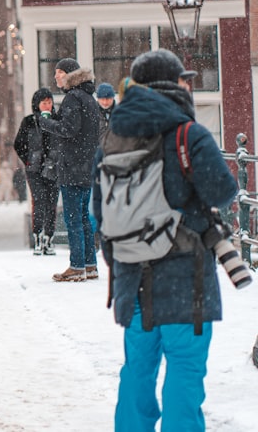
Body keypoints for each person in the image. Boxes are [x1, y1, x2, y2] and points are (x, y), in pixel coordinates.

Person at [92, 48, 237, 431]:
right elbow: (223, 191)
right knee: (185, 374)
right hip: (186, 278)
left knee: (137, 370)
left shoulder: (113, 136)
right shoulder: (188, 133)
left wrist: (127, 253)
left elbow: (100, 212)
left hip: (131, 277)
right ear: (173, 85)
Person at [39, 58, 100, 282]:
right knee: (83, 217)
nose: (55, 76)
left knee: (73, 218)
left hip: (72, 166)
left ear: (69, 74)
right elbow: (82, 128)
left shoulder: (73, 97)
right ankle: (90, 265)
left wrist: (45, 121)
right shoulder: (88, 97)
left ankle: (76, 267)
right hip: (86, 166)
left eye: (59, 72)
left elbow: (68, 129)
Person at [13, 87, 61, 256]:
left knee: (52, 203)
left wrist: (57, 159)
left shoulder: (57, 120)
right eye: (44, 103)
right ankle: (38, 236)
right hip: (34, 169)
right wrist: (28, 159)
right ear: (37, 104)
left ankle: (49, 238)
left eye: (49, 102)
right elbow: (18, 144)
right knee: (39, 200)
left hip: (53, 168)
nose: (47, 105)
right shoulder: (28, 122)